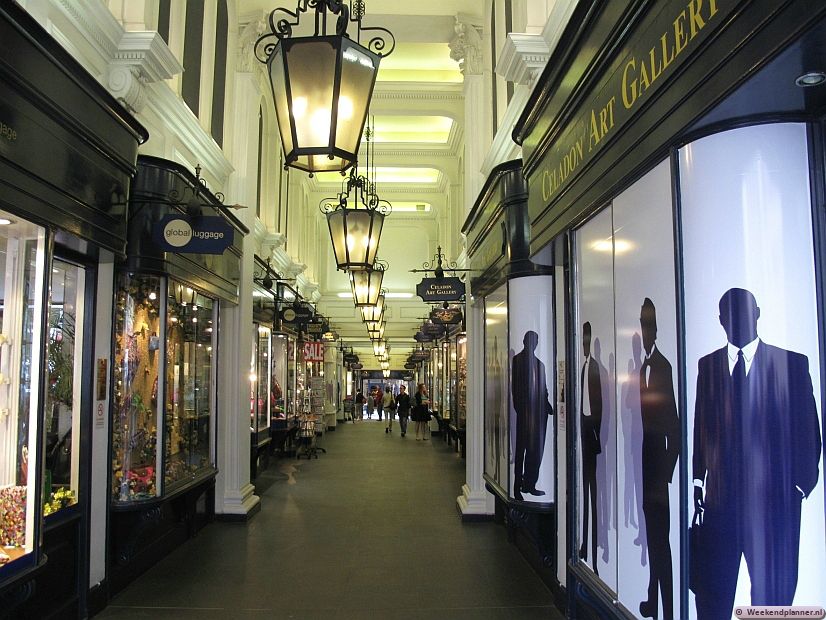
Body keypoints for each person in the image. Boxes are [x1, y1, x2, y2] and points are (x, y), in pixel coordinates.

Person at [692, 288, 821, 617]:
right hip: (721, 506)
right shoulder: (708, 366)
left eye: (743, 313)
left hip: (774, 509)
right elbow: (701, 426)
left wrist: (798, 488)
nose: (736, 322)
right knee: (712, 598)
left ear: (758, 314)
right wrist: (698, 481)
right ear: (720, 321)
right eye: (729, 316)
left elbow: (808, 432)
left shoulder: (790, 364)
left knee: (772, 600)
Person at [638, 299, 679, 620]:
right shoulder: (643, 368)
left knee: (661, 541)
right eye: (642, 326)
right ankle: (653, 599)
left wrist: (666, 472)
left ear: (655, 330)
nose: (644, 333)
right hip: (647, 461)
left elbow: (674, 425)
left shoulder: (662, 366)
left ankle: (668, 610)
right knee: (653, 537)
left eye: (648, 326)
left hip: (659, 467)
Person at [510, 330, 554, 501]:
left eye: (535, 341)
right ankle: (517, 487)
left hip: (539, 415)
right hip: (524, 414)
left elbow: (544, 389)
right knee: (521, 450)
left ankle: (530, 484)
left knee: (535, 451)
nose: (532, 344)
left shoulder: (540, 365)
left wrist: (547, 406)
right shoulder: (518, 360)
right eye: (530, 341)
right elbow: (515, 388)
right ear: (524, 341)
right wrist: (520, 409)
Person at [579, 321, 602, 575]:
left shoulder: (594, 368)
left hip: (592, 435)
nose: (584, 345)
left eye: (586, 340)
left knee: (594, 493)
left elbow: (600, 407)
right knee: (584, 491)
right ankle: (585, 543)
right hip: (583, 431)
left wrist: (596, 433)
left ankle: (594, 546)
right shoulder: (584, 367)